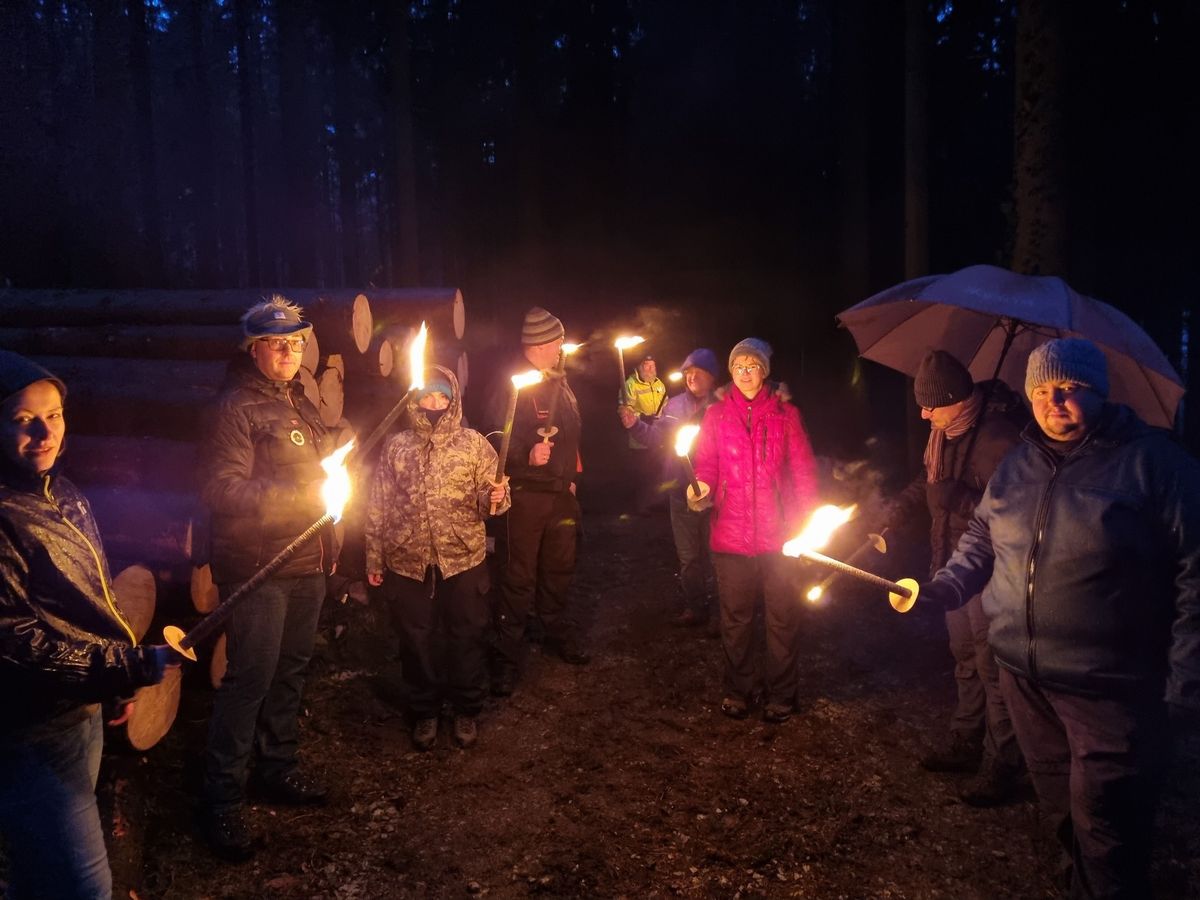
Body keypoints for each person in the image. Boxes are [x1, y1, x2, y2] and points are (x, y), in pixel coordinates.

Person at [920, 338, 1200, 899]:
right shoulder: (1019, 460)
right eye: (1043, 389)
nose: (1056, 401)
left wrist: (1186, 676)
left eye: (1071, 388)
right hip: (1024, 676)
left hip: (1110, 685)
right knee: (1060, 807)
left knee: (1108, 823)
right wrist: (948, 586)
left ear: (1099, 392)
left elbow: (1196, 572)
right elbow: (981, 535)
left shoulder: (1154, 463)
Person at [0, 351, 181, 899]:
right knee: (85, 888)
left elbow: (88, 602)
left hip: (78, 710)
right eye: (21, 419)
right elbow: (16, 642)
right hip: (31, 728)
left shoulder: (63, 492)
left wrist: (110, 683)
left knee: (39, 873)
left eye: (53, 415)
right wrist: (124, 665)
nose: (43, 431)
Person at [199, 296, 334, 862]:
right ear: (253, 349)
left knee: (292, 669)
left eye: (296, 342)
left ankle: (277, 768)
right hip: (259, 565)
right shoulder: (235, 407)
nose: (288, 351)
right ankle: (222, 800)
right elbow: (222, 491)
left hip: (306, 557)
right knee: (250, 678)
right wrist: (303, 495)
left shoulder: (299, 398)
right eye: (277, 343)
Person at [884, 350, 1025, 806]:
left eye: (931, 404)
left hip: (987, 572)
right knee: (964, 656)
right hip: (948, 561)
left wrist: (960, 497)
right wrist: (899, 511)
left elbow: (1010, 518)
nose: (924, 413)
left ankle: (1002, 763)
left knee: (992, 667)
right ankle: (967, 740)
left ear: (957, 399)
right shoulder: (944, 433)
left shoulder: (1001, 440)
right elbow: (928, 484)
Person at [366, 366, 509, 751]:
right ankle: (425, 710)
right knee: (416, 640)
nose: (434, 404)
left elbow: (492, 500)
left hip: (462, 558)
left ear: (453, 400)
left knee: (466, 635)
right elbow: (378, 502)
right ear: (414, 399)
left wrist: (494, 498)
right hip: (407, 560)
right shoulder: (397, 446)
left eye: (441, 397)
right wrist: (374, 558)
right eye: (427, 397)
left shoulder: (474, 444)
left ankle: (466, 707)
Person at [690, 338, 818, 723]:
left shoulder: (785, 415)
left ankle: (782, 693)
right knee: (736, 618)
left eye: (752, 365)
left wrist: (806, 524)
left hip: (780, 537)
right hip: (731, 535)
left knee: (781, 616)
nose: (745, 373)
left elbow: (803, 472)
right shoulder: (715, 417)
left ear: (764, 371)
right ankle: (740, 690)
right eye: (738, 366)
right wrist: (700, 488)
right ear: (731, 372)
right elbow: (706, 465)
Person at [491, 307, 586, 697]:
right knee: (518, 577)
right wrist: (526, 455)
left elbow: (572, 435)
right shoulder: (511, 384)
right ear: (540, 345)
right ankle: (505, 658)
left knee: (559, 568)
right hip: (527, 497)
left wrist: (572, 475)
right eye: (558, 342)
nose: (563, 347)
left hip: (560, 496)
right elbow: (494, 438)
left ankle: (552, 630)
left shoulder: (560, 381)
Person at [619, 348, 719, 629]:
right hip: (680, 492)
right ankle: (697, 607)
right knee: (689, 558)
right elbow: (654, 438)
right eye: (687, 373)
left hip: (715, 495)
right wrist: (635, 425)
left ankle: (721, 614)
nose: (692, 377)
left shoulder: (723, 406)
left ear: (712, 377)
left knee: (716, 556)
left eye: (698, 372)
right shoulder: (673, 406)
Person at [621, 353, 668, 513]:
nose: (650, 369)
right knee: (643, 473)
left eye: (652, 365)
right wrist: (642, 418)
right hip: (639, 439)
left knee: (658, 470)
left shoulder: (659, 384)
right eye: (646, 365)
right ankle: (642, 505)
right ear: (639, 367)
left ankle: (657, 502)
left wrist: (664, 418)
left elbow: (666, 405)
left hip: (658, 436)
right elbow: (625, 410)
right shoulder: (630, 384)